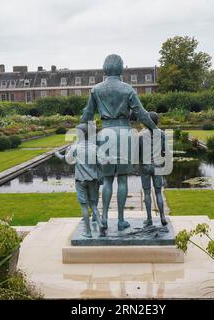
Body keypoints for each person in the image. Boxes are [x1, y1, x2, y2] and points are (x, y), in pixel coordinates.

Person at [80, 54, 160, 232]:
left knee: (107, 180)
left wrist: (81, 134)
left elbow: (86, 116)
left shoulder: (96, 90)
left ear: (105, 68)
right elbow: (142, 114)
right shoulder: (128, 89)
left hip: (106, 134)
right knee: (122, 180)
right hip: (125, 134)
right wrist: (154, 129)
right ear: (121, 68)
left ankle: (105, 218)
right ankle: (121, 220)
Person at [54, 123, 101, 238]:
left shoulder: (75, 147)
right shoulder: (94, 147)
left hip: (80, 180)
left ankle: (88, 232)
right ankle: (101, 225)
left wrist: (57, 154)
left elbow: (67, 160)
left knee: (84, 206)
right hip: (93, 179)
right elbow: (101, 162)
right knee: (94, 205)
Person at [139, 111, 168, 227]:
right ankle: (162, 216)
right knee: (158, 193)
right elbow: (165, 151)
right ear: (157, 121)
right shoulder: (162, 134)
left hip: (145, 166)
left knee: (146, 192)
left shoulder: (141, 135)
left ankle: (149, 219)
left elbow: (138, 153)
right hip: (157, 166)